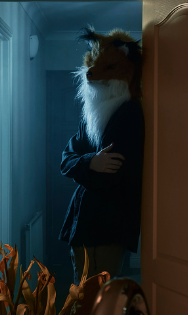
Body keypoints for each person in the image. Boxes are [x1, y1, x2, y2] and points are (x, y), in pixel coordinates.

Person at [59, 27, 144, 283]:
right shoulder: (92, 117)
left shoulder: (128, 114)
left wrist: (82, 167)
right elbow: (65, 159)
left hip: (105, 228)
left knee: (94, 300)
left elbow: (110, 179)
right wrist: (91, 162)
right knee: (83, 297)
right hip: (82, 225)